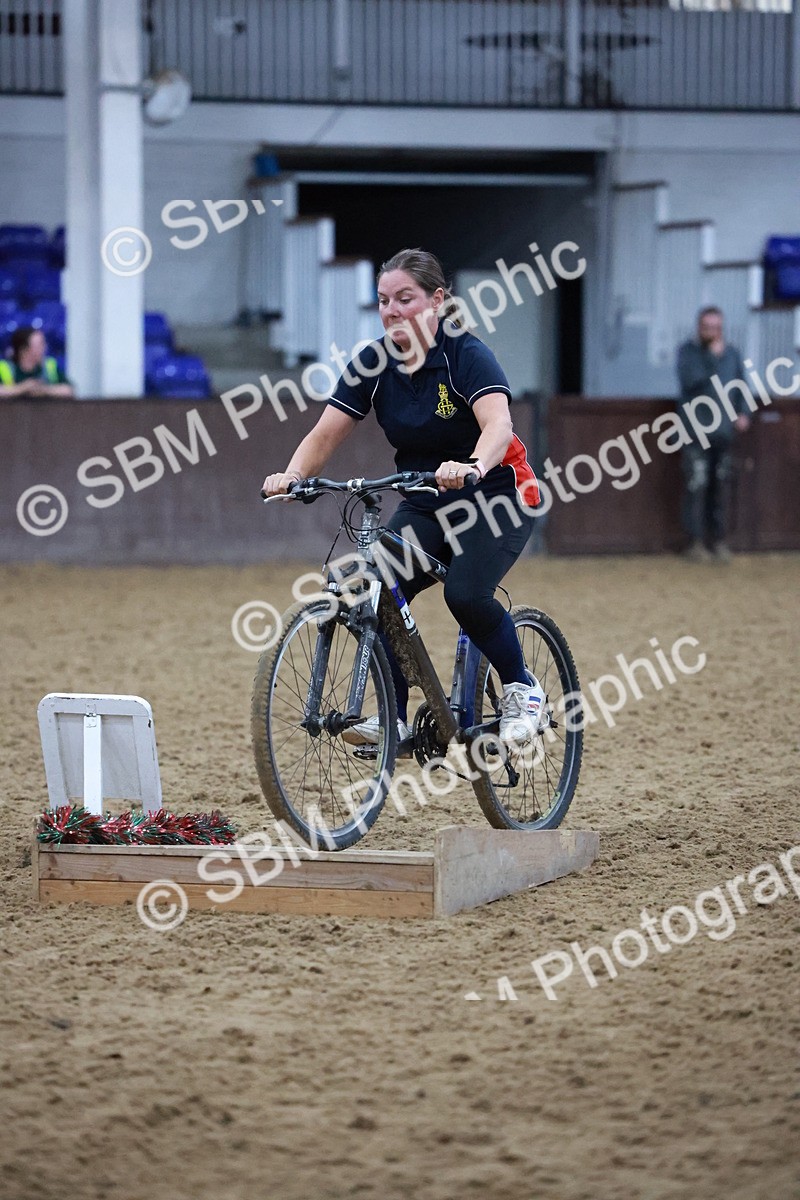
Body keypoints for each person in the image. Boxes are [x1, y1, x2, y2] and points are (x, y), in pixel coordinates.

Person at [262, 247, 544, 748]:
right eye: (384, 300)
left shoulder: (465, 355)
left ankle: (523, 688)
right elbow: (325, 434)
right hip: (427, 495)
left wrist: (474, 464)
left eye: (405, 299)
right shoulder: (373, 361)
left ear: (437, 300)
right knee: (377, 587)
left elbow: (499, 424)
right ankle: (393, 713)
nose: (392, 310)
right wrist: (292, 475)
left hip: (497, 490)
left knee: (465, 594)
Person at [676, 306, 750, 563]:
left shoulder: (732, 354)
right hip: (695, 432)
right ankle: (695, 543)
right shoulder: (688, 352)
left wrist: (744, 413)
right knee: (696, 486)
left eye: (716, 327)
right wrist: (711, 358)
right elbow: (690, 381)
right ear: (699, 328)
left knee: (719, 488)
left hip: (722, 432)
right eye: (707, 327)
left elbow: (741, 385)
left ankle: (718, 541)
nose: (712, 332)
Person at [0, 326, 74, 399]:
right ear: (23, 350)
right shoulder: (4, 368)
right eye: (40, 344)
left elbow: (69, 390)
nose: (44, 348)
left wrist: (44, 390)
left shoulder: (50, 366)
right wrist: (22, 388)